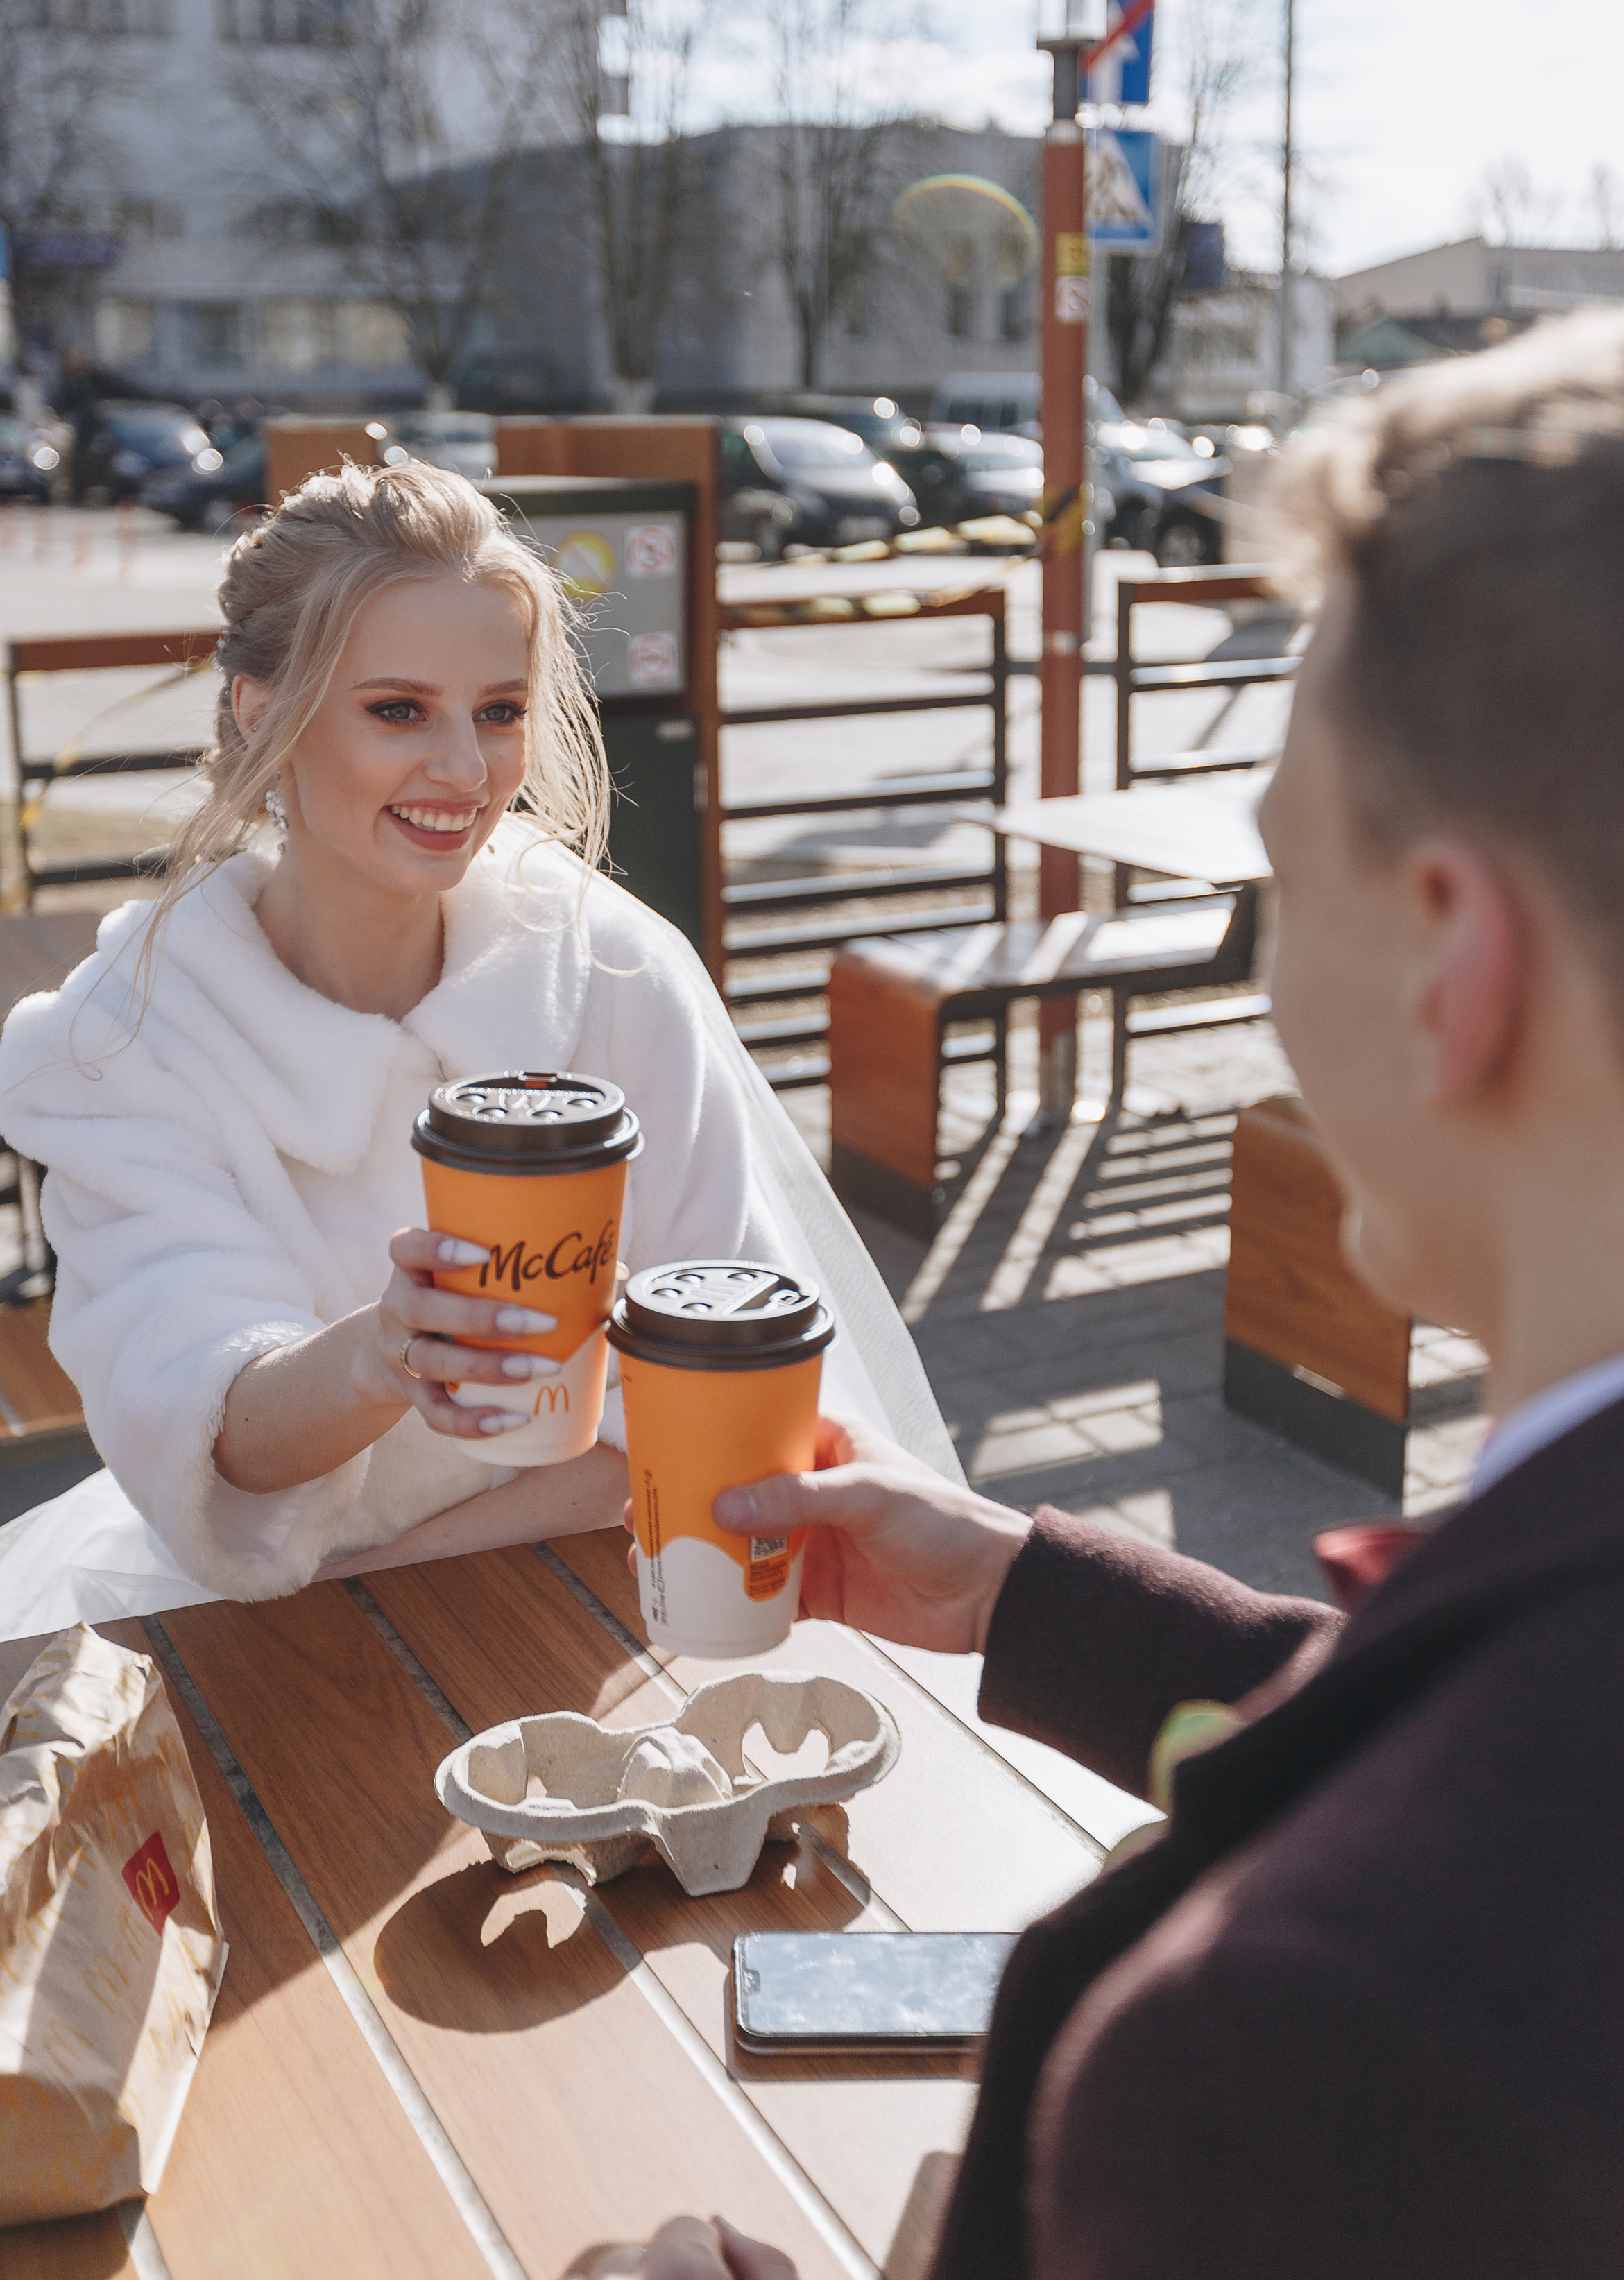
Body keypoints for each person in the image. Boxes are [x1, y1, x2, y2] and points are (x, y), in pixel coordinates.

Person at [599, 309, 1624, 2277]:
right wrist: (1016, 1588)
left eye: (1276, 887)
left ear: (1448, 959)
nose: (1259, 983)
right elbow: (1468, 1734)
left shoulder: (1313, 2040)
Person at [0, 464, 955, 1660]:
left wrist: (433, 1576)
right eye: (399, 710)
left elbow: (718, 1375)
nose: (465, 770)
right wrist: (385, 1355)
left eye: (498, 712)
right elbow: (201, 1423)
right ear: (257, 711)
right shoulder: (125, 1042)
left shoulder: (611, 973)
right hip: (272, 1638)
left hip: (610, 1594)